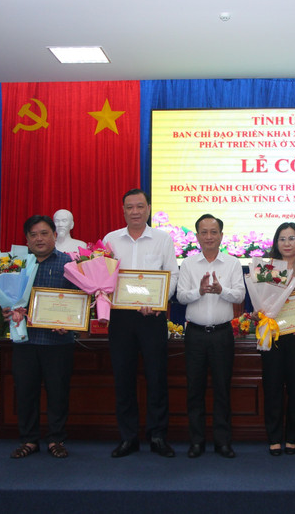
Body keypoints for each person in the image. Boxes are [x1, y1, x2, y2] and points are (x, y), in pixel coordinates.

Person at [103, 189, 179, 458]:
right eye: (129, 207)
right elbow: (102, 276)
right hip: (120, 318)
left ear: (148, 208)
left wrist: (159, 301)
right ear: (123, 210)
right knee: (123, 378)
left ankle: (157, 436)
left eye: (140, 206)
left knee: (156, 377)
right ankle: (128, 437)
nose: (135, 211)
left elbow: (172, 275)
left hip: (152, 318)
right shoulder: (111, 239)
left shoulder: (162, 239)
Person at [176, 214, 245, 459]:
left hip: (222, 334)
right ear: (196, 237)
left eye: (213, 232)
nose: (208, 237)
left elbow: (238, 295)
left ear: (221, 236)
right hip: (194, 334)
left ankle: (222, 442)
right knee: (194, 389)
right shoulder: (187, 264)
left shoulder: (233, 264)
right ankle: (196, 441)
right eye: (203, 232)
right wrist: (199, 291)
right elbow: (181, 296)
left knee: (222, 389)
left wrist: (220, 290)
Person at [9, 215, 77, 459]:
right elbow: (6, 298)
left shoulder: (69, 264)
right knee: (25, 392)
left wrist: (68, 323)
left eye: (44, 233)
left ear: (54, 236)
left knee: (58, 393)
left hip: (58, 342)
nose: (39, 238)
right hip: (25, 341)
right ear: (26, 240)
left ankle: (56, 439)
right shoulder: (15, 266)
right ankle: (29, 440)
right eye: (33, 235)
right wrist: (8, 309)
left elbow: (80, 300)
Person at [259, 222, 295, 456]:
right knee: (272, 387)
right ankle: (273, 437)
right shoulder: (267, 268)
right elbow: (260, 300)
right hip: (273, 335)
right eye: (282, 238)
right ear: (276, 243)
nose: (287, 243)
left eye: (292, 238)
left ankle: (291, 437)